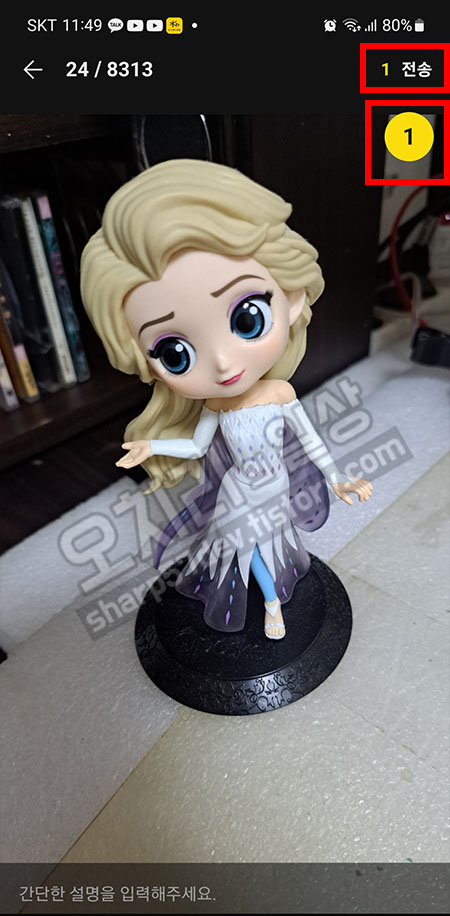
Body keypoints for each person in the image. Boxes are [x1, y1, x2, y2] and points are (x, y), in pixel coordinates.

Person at [81, 159, 372, 640]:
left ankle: (272, 595)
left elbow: (309, 439)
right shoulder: (215, 406)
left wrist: (337, 477)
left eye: (246, 318)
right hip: (239, 491)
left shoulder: (279, 392)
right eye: (175, 353)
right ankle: (272, 603)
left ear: (291, 296)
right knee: (244, 548)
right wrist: (153, 446)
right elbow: (197, 446)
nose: (221, 363)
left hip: (274, 486)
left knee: (269, 543)